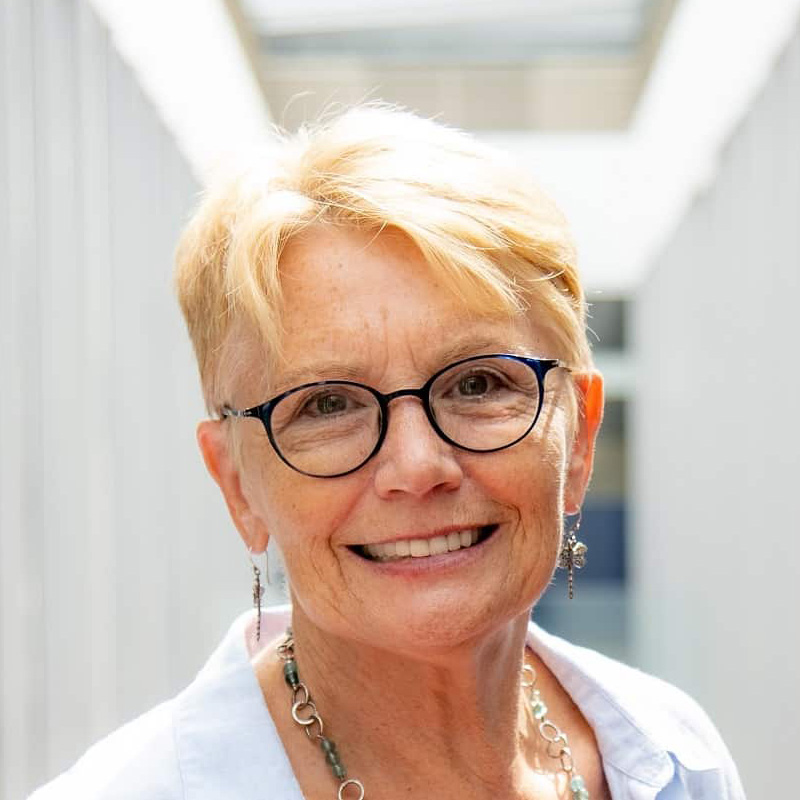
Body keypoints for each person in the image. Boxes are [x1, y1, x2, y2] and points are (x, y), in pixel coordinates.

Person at [30, 105, 745, 800]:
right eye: (328, 405)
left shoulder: (673, 758)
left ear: (580, 438)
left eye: (478, 382)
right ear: (237, 486)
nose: (417, 467)